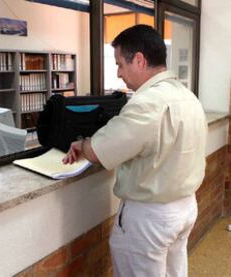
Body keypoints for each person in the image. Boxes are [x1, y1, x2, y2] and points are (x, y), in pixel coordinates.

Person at [62, 24, 207, 277]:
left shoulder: (147, 102)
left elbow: (97, 151)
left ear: (139, 60)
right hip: (184, 207)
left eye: (120, 64)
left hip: (151, 217)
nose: (118, 73)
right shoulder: (187, 96)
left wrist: (81, 145)